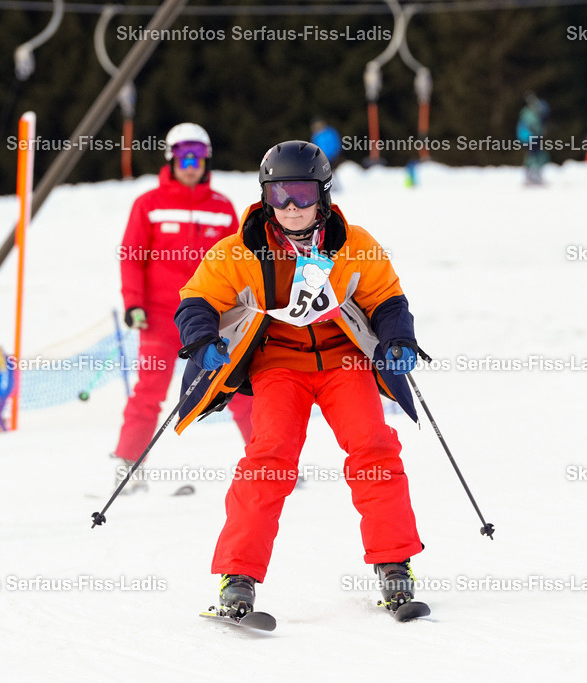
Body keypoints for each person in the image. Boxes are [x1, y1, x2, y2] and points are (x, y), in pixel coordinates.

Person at [173, 140, 425, 617]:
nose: (290, 206)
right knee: (269, 458)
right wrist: (202, 339)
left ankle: (394, 563)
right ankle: (237, 576)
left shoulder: (354, 245)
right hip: (279, 363)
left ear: (323, 195)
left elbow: (388, 301)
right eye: (279, 194)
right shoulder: (242, 250)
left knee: (374, 447)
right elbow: (197, 300)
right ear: (265, 196)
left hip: (343, 360)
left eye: (303, 194)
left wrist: (398, 340)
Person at [113, 122, 253, 492]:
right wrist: (134, 304)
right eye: (183, 157)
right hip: (160, 316)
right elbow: (132, 257)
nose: (191, 165)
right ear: (171, 158)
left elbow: (236, 261)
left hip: (211, 317)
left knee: (237, 386)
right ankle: (128, 468)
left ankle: (269, 460)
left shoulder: (221, 207)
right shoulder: (149, 204)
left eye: (198, 157)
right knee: (149, 392)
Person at [516, 93, 550, 185]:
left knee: (535, 156)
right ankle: (532, 177)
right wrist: (540, 131)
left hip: (528, 138)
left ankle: (533, 176)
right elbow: (534, 126)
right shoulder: (529, 113)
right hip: (529, 138)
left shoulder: (528, 112)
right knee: (534, 157)